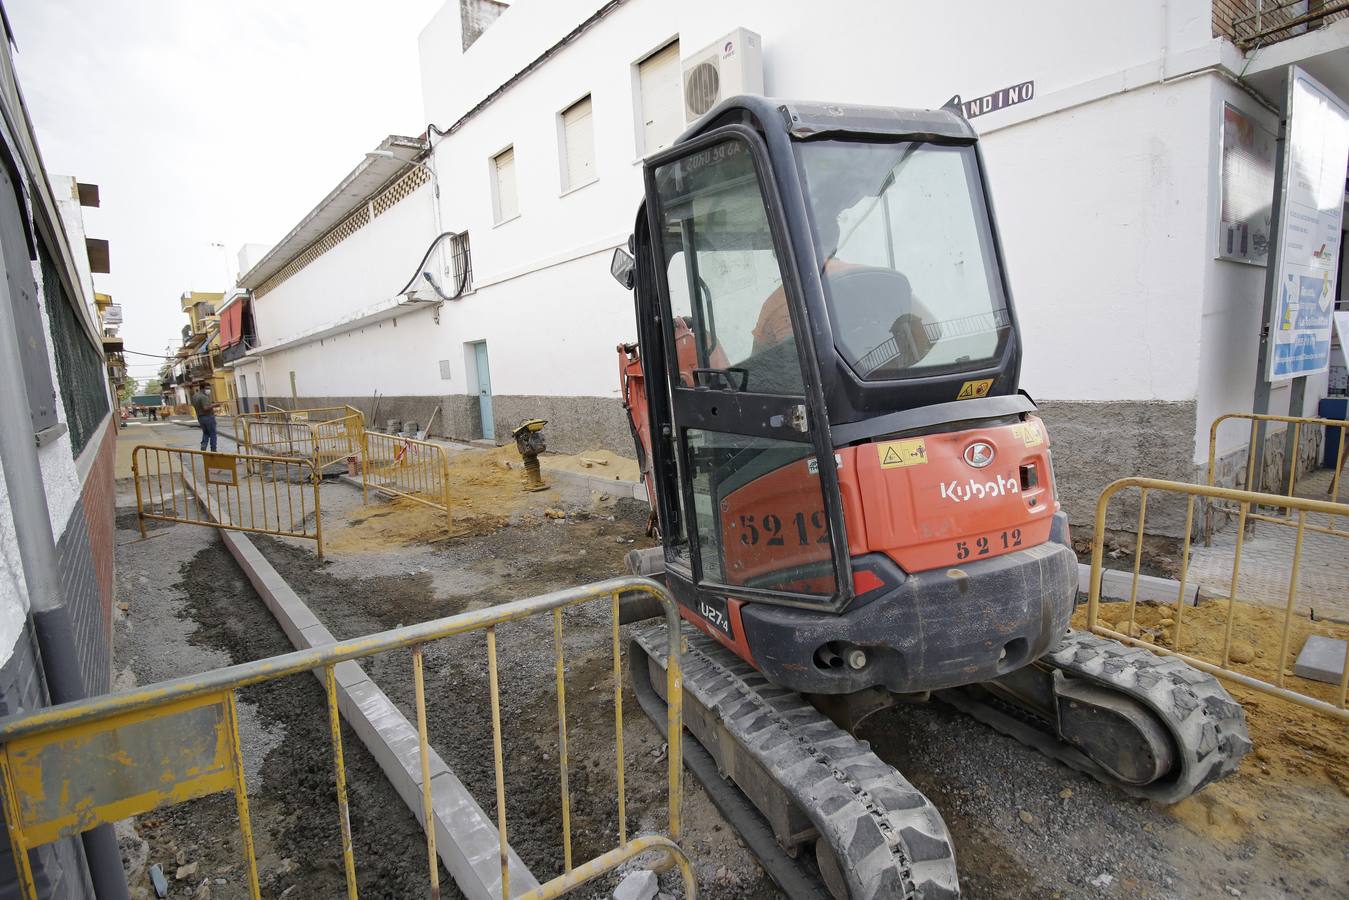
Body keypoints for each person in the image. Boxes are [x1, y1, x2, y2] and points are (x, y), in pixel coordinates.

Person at [191, 386, 219, 452]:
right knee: (213, 434)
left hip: (200, 417)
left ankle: (203, 447)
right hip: (208, 417)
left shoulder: (195, 396)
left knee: (206, 433)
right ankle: (213, 449)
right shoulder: (203, 397)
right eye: (208, 388)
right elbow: (205, 408)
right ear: (203, 389)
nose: (209, 390)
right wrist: (215, 405)